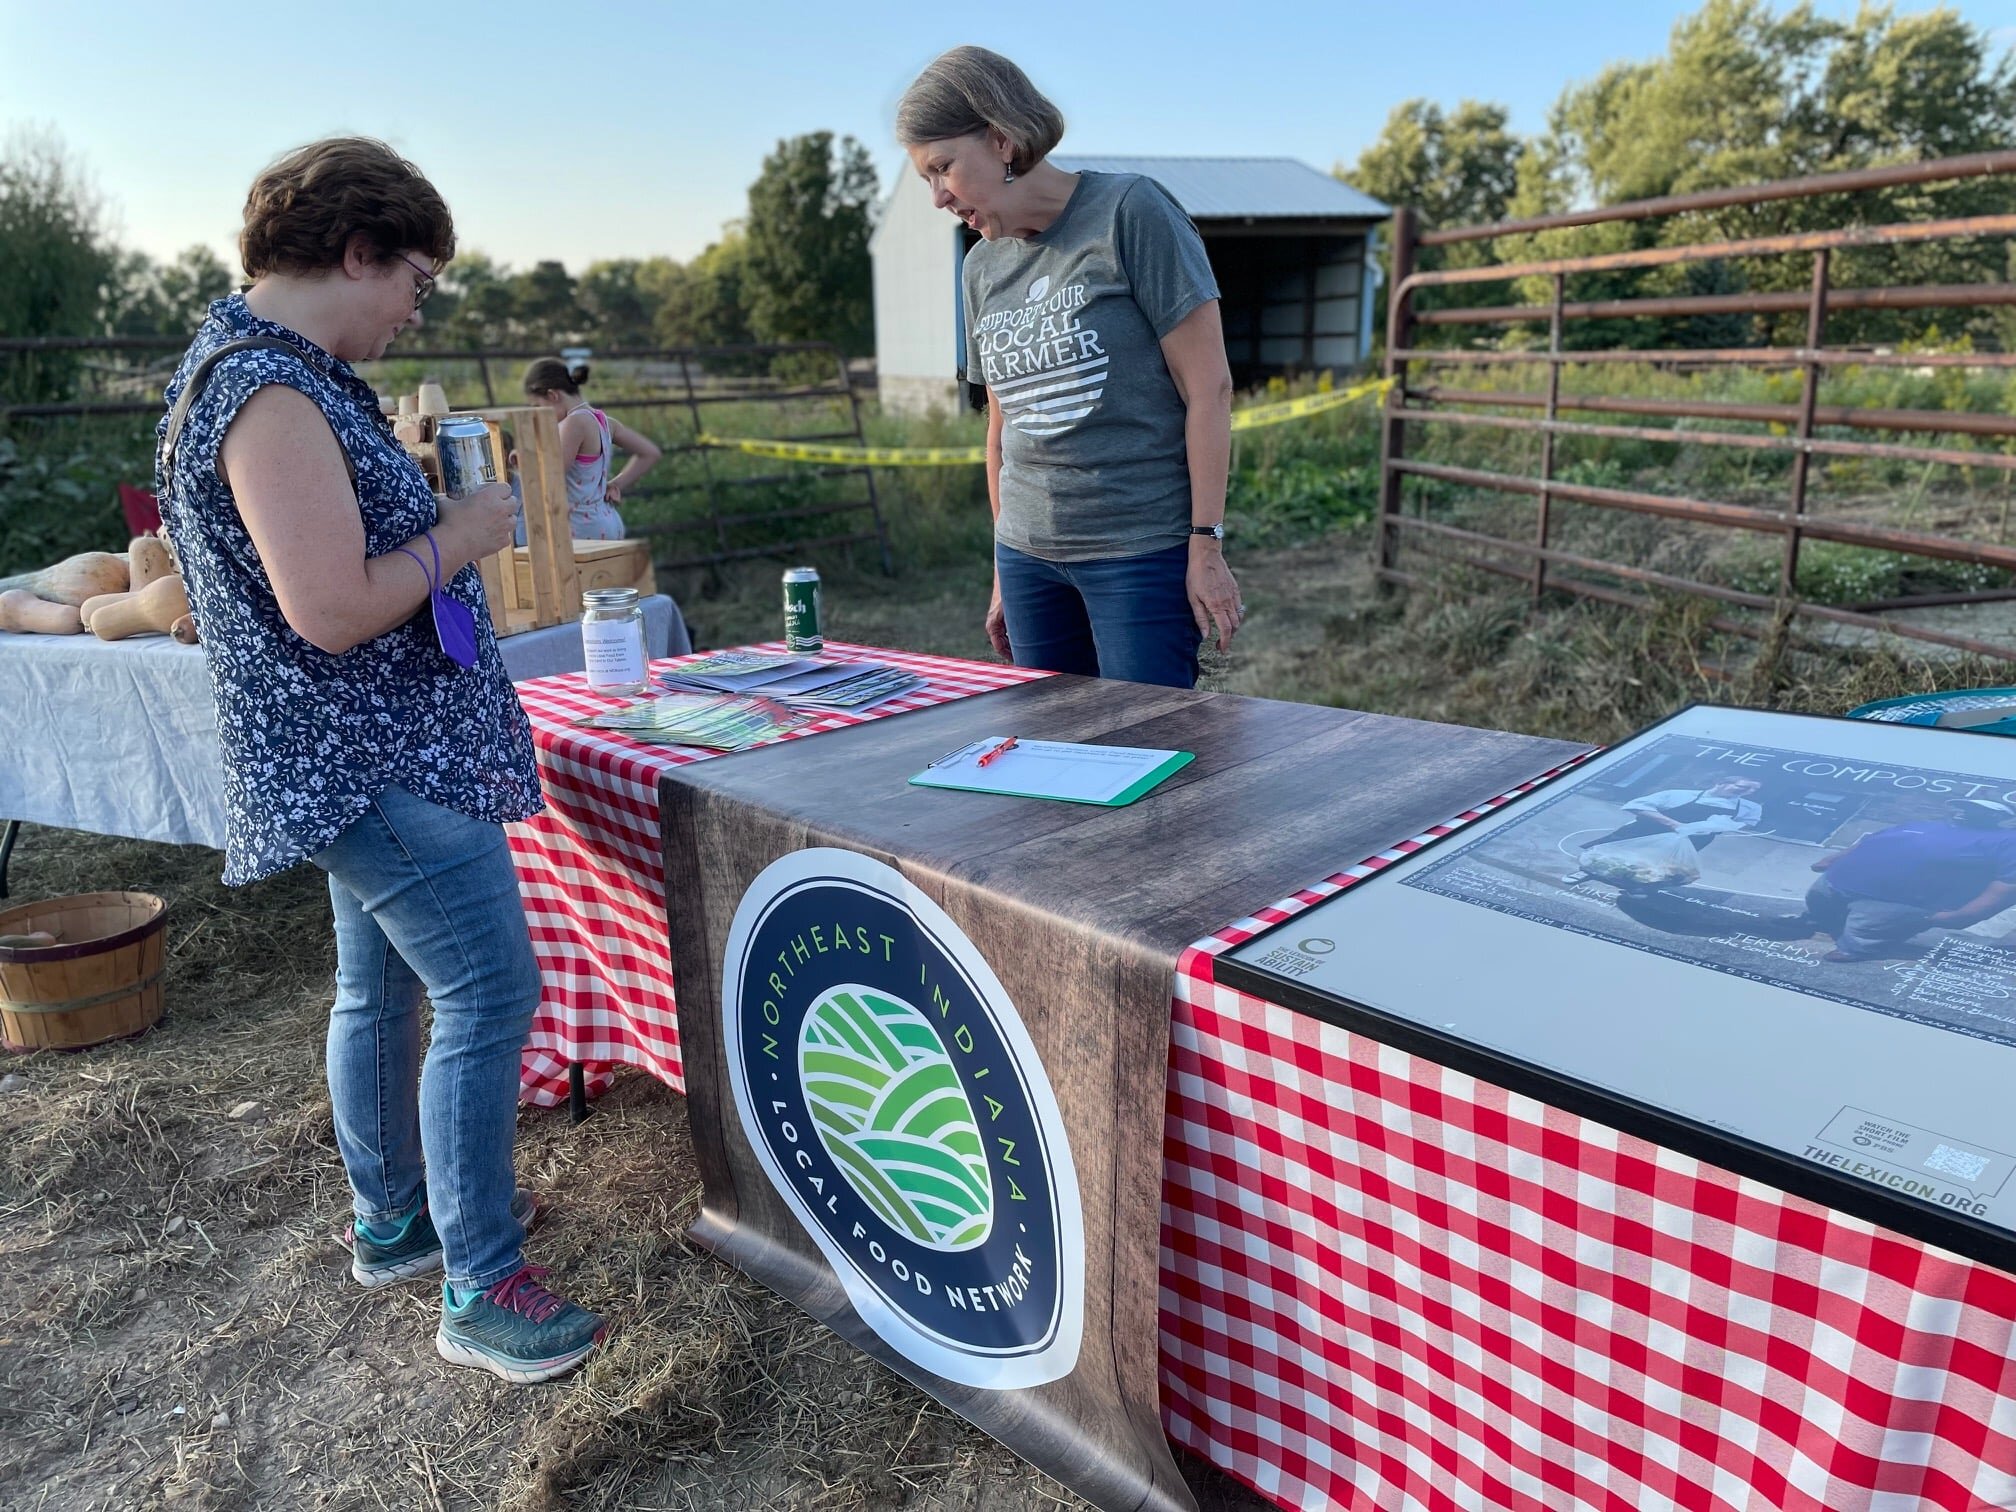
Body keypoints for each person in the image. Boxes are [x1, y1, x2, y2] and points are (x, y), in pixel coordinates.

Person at [155, 137, 604, 1384]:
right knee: (485, 994)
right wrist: (457, 535)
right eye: (415, 276)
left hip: (351, 756)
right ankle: (483, 1285)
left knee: (385, 990)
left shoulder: (270, 373)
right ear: (355, 250)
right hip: (369, 760)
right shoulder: (270, 392)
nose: (418, 306)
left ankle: (397, 1220)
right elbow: (332, 609)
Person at [896, 46, 1242, 689]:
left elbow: (1209, 390)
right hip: (1027, 559)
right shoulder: (980, 267)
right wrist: (1003, 566)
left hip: (1137, 551)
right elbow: (1001, 429)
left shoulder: (1129, 213)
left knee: (1145, 749)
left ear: (1001, 140)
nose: (939, 196)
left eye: (943, 168)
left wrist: (1206, 543)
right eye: (926, 179)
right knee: (1051, 756)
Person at [1802, 797, 2016, 962]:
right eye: (1966, 808)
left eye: (1978, 811)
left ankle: (1856, 949)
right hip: (1840, 880)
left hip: (1902, 899)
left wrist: (1967, 914)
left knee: (1869, 928)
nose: (1966, 813)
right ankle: (1819, 922)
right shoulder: (1924, 824)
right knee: (1819, 901)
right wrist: (1833, 859)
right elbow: (1871, 841)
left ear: (1995, 817)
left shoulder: (2006, 840)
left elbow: (2008, 883)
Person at [520, 358, 662, 540]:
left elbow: (551, 473)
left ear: (553, 395)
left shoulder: (574, 423)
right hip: (606, 521)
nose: (538, 414)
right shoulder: (604, 421)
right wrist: (616, 484)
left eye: (537, 406)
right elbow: (650, 453)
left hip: (581, 529)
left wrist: (525, 455)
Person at [1564, 777, 1763, 883]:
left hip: (1691, 840)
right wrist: (1675, 825)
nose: (1747, 793)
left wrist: (1719, 826)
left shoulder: (1749, 807)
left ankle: (1637, 887)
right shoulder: (1679, 794)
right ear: (1720, 783)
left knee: (1657, 867)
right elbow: (1637, 806)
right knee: (1611, 856)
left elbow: (1748, 822)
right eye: (1742, 787)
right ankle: (1586, 873)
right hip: (1645, 831)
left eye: (1752, 790)